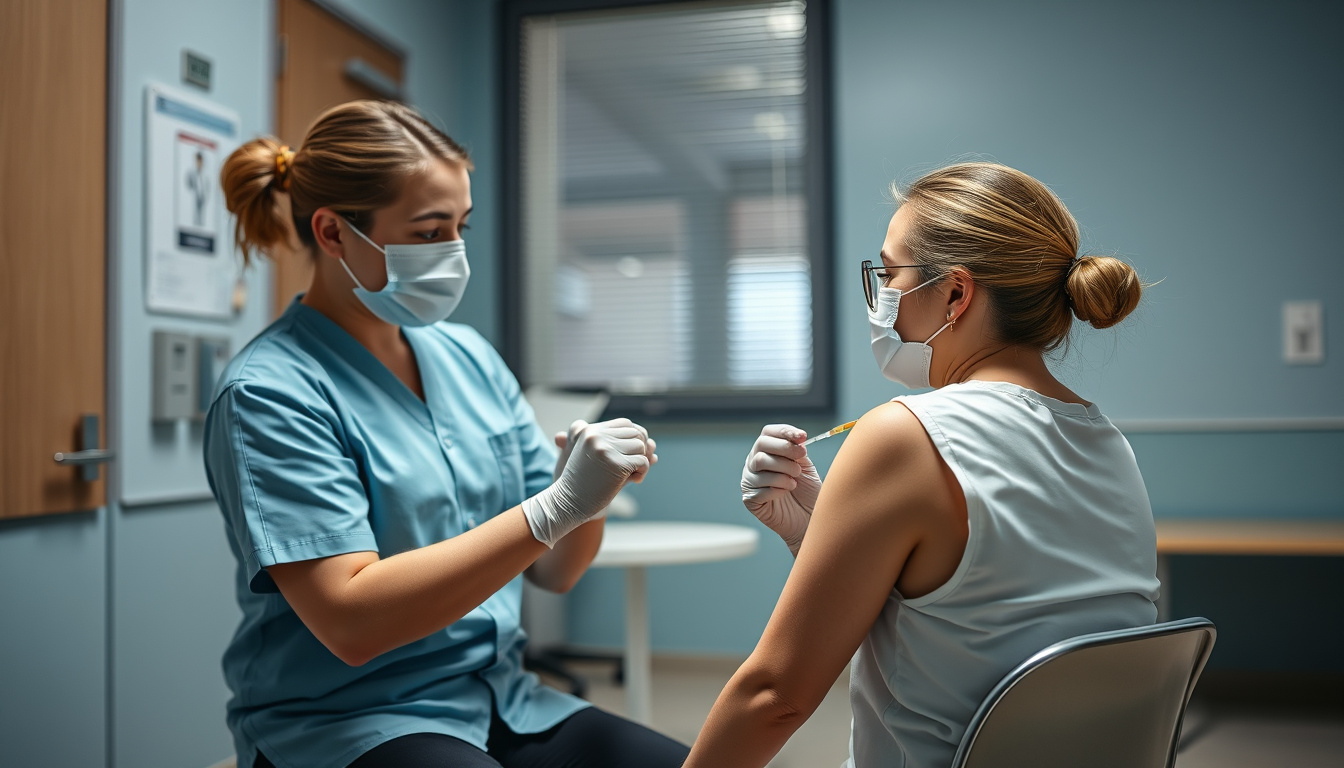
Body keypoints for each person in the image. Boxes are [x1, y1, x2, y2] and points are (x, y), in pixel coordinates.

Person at [206, 100, 689, 768]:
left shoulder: (468, 358)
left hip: (500, 698)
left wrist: (590, 495)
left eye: (460, 227)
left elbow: (555, 570)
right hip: (348, 720)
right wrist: (554, 506)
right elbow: (351, 621)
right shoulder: (270, 392)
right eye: (429, 233)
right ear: (333, 232)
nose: (455, 255)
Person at [683, 162, 1161, 768]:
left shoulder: (904, 433)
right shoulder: (1108, 441)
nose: (882, 300)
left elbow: (775, 697)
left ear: (957, 294)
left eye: (889, 275)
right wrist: (816, 537)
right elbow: (981, 619)